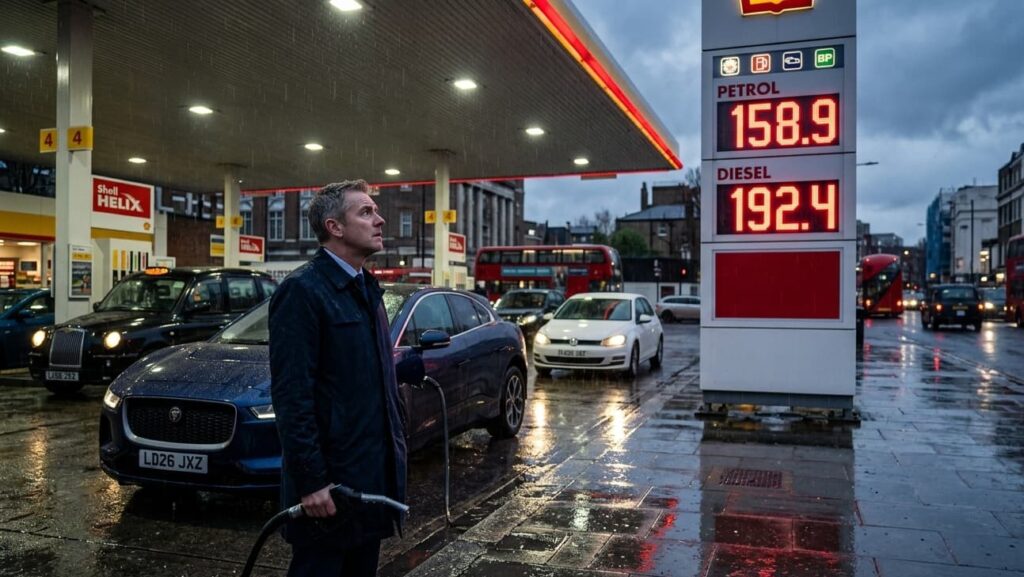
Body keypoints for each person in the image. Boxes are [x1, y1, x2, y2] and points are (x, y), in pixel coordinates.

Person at [269, 180, 407, 577]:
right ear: (335, 227)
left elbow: (356, 374)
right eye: (366, 212)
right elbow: (293, 396)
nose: (380, 220)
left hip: (368, 483)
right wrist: (311, 482)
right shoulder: (303, 291)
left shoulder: (366, 288)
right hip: (329, 491)